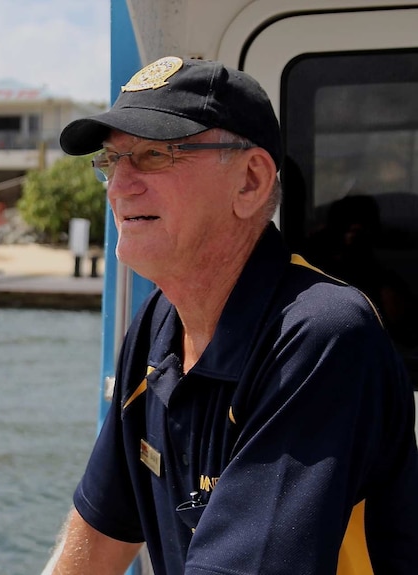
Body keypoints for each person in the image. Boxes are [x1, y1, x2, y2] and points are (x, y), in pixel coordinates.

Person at [43, 56, 418, 574]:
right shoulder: (158, 326)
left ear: (250, 181)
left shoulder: (323, 335)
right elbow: (98, 537)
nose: (119, 185)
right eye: (112, 159)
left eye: (154, 155)